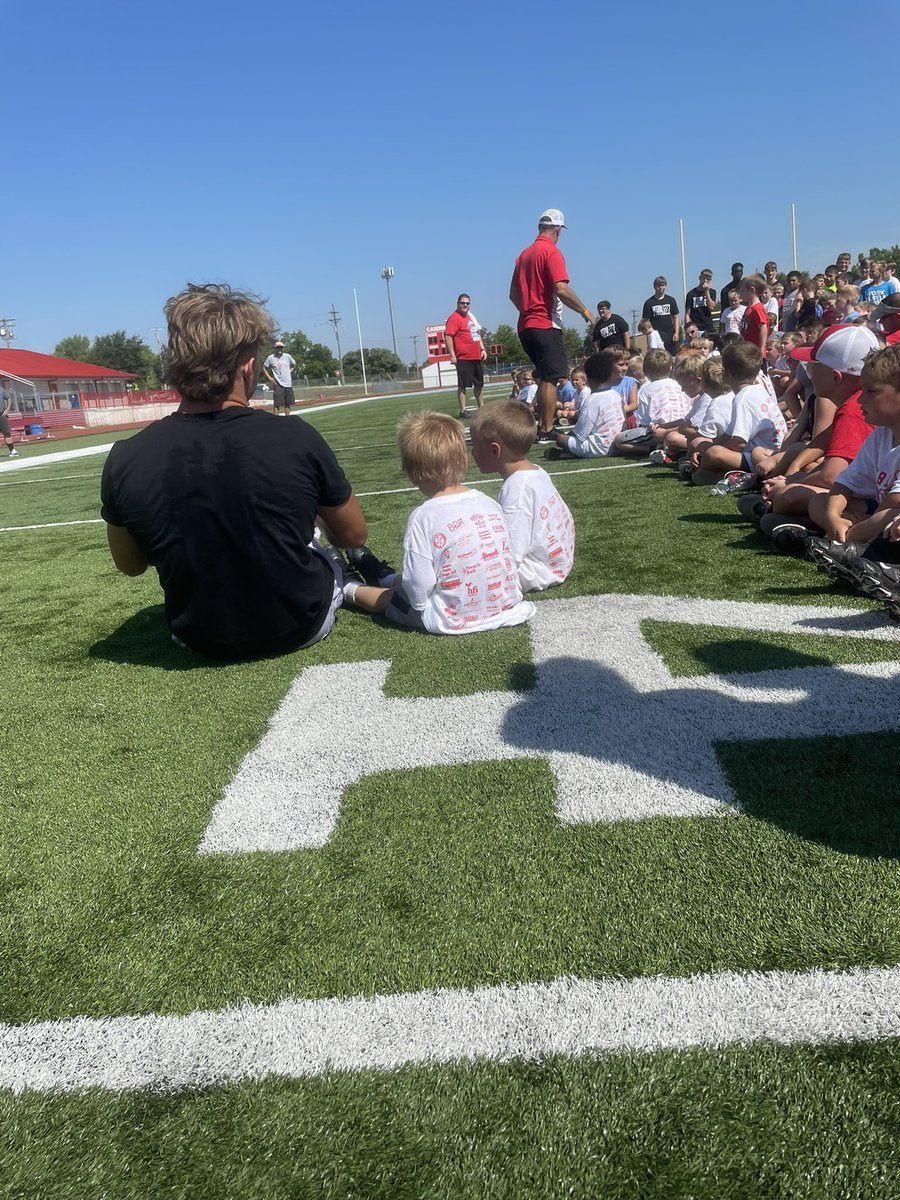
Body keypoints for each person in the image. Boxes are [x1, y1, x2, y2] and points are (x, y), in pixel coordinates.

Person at [100, 283, 369, 660]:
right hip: (301, 624)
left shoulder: (126, 457)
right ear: (247, 365)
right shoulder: (294, 436)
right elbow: (354, 533)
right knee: (314, 538)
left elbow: (129, 565)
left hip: (198, 637)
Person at [342, 411, 535, 633]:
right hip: (502, 602)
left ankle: (349, 587)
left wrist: (415, 604)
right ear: (464, 462)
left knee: (392, 598)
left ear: (411, 474)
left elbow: (418, 586)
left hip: (453, 616)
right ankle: (383, 576)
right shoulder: (489, 502)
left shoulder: (423, 517)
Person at [509, 209, 595, 443]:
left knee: (545, 375)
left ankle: (541, 424)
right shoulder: (551, 252)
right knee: (550, 377)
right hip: (545, 324)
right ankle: (546, 429)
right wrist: (585, 311)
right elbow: (561, 288)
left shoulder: (523, 255)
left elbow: (513, 294)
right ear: (558, 229)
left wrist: (528, 311)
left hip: (525, 325)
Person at [470, 401, 574, 591]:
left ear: (495, 450)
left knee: (464, 572)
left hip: (535, 571)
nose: (471, 453)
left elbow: (511, 553)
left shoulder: (517, 488)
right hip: (554, 561)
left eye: (475, 446)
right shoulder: (536, 472)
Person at [697, 341, 786, 478]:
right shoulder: (758, 390)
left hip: (761, 457)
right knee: (708, 449)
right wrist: (705, 449)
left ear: (724, 372)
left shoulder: (743, 398)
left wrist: (708, 454)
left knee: (714, 454)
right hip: (773, 454)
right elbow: (729, 434)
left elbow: (738, 444)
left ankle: (731, 476)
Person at [546, 353, 625, 459]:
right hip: (617, 446)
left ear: (587, 378)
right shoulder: (616, 395)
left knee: (560, 438)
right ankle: (567, 453)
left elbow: (580, 434)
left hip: (599, 449)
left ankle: (567, 453)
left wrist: (563, 437)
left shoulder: (592, 400)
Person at [444, 293, 487, 418]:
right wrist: (452, 355)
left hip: (476, 356)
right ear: (458, 304)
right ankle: (463, 410)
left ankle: (482, 409)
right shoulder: (454, 318)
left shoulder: (470, 318)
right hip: (463, 357)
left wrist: (483, 349)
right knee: (463, 385)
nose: (465, 305)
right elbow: (448, 336)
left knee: (479, 384)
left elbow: (477, 334)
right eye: (462, 303)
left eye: (467, 303)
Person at [641, 276, 680, 354]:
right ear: (654, 287)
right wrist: (648, 338)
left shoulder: (671, 300)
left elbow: (675, 317)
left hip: (670, 335)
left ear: (666, 286)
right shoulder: (649, 303)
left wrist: (676, 333)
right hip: (655, 336)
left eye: (663, 285)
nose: (661, 287)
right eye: (658, 285)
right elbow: (645, 322)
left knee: (671, 357)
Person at [261, 337, 296, 416]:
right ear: (275, 348)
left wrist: (290, 371)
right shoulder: (271, 358)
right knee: (277, 404)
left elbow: (294, 364)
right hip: (278, 384)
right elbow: (264, 367)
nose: (279, 349)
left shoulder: (287, 356)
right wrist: (270, 378)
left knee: (287, 403)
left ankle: (287, 419)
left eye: (281, 347)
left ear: (283, 348)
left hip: (288, 383)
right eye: (278, 347)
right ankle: (276, 420)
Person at [739, 274, 769, 357]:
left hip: (755, 353)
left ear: (752, 290)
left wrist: (761, 349)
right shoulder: (748, 309)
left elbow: (763, 328)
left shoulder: (757, 308)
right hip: (748, 351)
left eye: (742, 291)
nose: (740, 293)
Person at [684, 269, 716, 334]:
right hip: (696, 328)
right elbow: (687, 314)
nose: (705, 281)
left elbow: (711, 308)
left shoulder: (712, 292)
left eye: (708, 279)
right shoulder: (691, 294)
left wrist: (706, 292)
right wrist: (688, 328)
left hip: (708, 328)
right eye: (704, 278)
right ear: (700, 278)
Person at [0, 377, 20, 458]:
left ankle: (12, 450)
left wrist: (7, 409)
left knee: (7, 433)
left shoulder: (1, 390)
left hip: (1, 415)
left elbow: (8, 398)